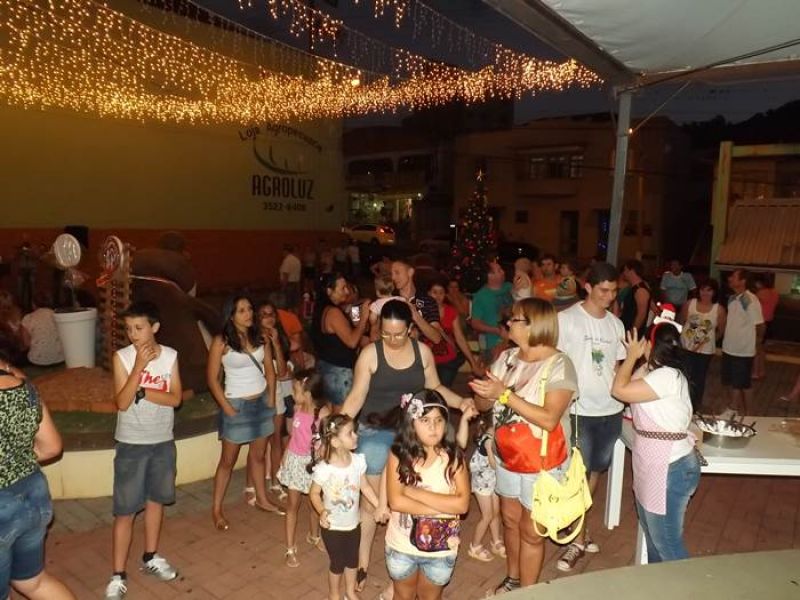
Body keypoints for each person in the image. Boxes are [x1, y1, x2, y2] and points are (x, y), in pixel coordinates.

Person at [342, 300, 473, 592]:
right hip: (376, 426)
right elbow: (357, 396)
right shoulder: (370, 354)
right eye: (385, 333)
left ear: (411, 328)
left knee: (428, 481)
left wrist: (460, 401)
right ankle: (363, 560)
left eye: (398, 334)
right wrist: (335, 428)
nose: (392, 339)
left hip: (412, 429)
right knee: (372, 499)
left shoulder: (422, 351)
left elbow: (435, 388)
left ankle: (406, 564)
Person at [469, 298, 578, 593]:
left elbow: (549, 419)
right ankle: (513, 580)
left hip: (541, 462)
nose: (508, 324)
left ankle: (528, 593)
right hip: (507, 456)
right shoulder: (507, 358)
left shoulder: (559, 364)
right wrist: (483, 393)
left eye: (514, 319)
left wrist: (504, 394)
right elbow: (484, 404)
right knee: (510, 520)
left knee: (532, 531)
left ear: (533, 325)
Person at [105, 302, 182, 600]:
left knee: (155, 501)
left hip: (162, 440)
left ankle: (150, 556)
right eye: (128, 329)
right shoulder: (123, 358)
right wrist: (138, 368)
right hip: (131, 444)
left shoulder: (170, 356)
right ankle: (117, 574)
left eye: (139, 328)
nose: (133, 334)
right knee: (125, 511)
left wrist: (143, 391)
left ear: (155, 327)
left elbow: (175, 399)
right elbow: (122, 403)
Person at [555, 262, 626, 572]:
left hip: (610, 409)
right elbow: (554, 362)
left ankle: (579, 529)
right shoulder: (566, 320)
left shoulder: (616, 325)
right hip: (578, 410)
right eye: (603, 290)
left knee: (595, 471)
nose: (609, 297)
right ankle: (577, 538)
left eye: (614, 291)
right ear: (587, 287)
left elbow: (618, 367)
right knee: (576, 475)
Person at [611, 325, 701, 563]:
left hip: (671, 467)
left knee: (667, 543)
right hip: (654, 463)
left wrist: (631, 356)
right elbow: (630, 381)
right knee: (652, 536)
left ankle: (688, 584)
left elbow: (619, 390)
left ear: (651, 344)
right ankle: (657, 582)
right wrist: (641, 358)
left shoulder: (666, 376)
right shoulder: (656, 372)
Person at [0, 354, 76, 600]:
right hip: (33, 494)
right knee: (33, 582)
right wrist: (14, 461)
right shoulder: (24, 386)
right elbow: (51, 447)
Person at [207, 294, 283, 532]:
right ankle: (216, 509)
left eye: (249, 308)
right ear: (231, 315)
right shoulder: (222, 341)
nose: (248, 313)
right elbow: (212, 379)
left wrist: (271, 399)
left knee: (258, 456)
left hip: (261, 403)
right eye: (241, 310)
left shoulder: (260, 336)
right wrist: (227, 407)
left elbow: (269, 369)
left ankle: (262, 498)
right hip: (236, 405)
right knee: (227, 461)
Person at [384, 390, 470, 600]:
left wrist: (412, 492)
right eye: (425, 420)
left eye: (438, 420)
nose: (433, 427)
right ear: (411, 423)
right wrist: (443, 508)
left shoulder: (453, 458)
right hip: (402, 545)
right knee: (402, 595)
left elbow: (462, 505)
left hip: (440, 549)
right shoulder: (399, 455)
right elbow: (396, 501)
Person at [309, 414, 383, 600]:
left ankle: (350, 592)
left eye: (354, 431)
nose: (356, 435)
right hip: (332, 526)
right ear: (335, 442)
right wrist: (321, 511)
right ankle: (334, 594)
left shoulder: (357, 461)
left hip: (353, 524)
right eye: (350, 433)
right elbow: (314, 493)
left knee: (352, 560)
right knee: (337, 563)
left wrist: (379, 505)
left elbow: (365, 486)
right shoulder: (325, 468)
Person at [278, 369, 330, 567]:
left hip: (313, 464)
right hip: (294, 461)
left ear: (307, 393)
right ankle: (290, 548)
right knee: (292, 505)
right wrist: (285, 455)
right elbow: (294, 436)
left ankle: (314, 535)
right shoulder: (297, 408)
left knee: (314, 503)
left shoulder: (323, 413)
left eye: (295, 390)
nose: (292, 393)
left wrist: (323, 455)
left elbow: (327, 442)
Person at [312, 273, 370, 409]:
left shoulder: (322, 309)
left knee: (332, 411)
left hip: (327, 366)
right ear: (329, 291)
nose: (347, 292)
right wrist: (364, 317)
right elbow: (352, 341)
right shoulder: (333, 312)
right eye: (343, 288)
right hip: (338, 371)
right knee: (343, 413)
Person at [456, 408, 505, 562]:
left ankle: (496, 541)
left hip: (492, 479)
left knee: (496, 512)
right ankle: (475, 546)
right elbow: (493, 463)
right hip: (483, 482)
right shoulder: (489, 439)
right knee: (487, 515)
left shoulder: (497, 434)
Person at [254, 301, 290, 501]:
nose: (269, 318)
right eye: (263, 314)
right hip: (257, 396)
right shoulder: (252, 340)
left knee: (276, 440)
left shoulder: (279, 339)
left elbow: (282, 373)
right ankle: (252, 485)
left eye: (271, 314)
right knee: (257, 444)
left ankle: (275, 482)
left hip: (276, 394)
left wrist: (276, 343)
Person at [721, 269, 764, 416]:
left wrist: (757, 344)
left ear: (743, 281)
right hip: (728, 347)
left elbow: (760, 325)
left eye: (734, 276)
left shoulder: (750, 299)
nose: (730, 278)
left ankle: (749, 413)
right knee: (731, 381)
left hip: (743, 350)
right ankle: (734, 409)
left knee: (743, 383)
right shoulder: (732, 298)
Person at [679, 279, 726, 412]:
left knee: (699, 377)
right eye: (702, 289)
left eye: (709, 290)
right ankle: (682, 402)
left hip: (705, 351)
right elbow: (681, 321)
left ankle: (696, 405)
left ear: (714, 292)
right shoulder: (690, 304)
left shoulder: (719, 309)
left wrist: (708, 341)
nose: (705, 293)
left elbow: (721, 330)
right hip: (686, 347)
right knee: (685, 375)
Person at [426, 278, 482, 386]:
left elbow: (460, 338)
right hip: (427, 359)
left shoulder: (451, 311)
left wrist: (473, 363)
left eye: (441, 293)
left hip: (447, 360)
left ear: (445, 294)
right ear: (428, 293)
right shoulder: (421, 312)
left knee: (443, 390)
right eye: (434, 292)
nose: (438, 296)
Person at [390, 259, 443, 345]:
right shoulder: (390, 301)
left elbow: (437, 338)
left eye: (397, 272)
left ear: (410, 272)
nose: (393, 278)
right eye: (391, 274)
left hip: (422, 351)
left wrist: (416, 316)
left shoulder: (427, 301)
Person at [470, 262, 513, 364]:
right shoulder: (481, 296)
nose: (503, 272)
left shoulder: (509, 287)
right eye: (499, 270)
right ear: (490, 275)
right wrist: (497, 331)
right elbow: (475, 323)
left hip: (513, 339)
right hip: (495, 343)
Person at [21, 293, 64, 366]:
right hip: (60, 358)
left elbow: (26, 343)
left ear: (33, 304)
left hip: (37, 360)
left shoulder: (28, 318)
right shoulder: (58, 315)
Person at [752, 274, 779, 380]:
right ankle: (762, 371)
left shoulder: (760, 293)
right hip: (769, 321)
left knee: (756, 348)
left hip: (759, 322)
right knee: (762, 348)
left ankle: (755, 372)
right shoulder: (775, 293)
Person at [620, 259, 652, 339]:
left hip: (632, 332)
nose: (624, 273)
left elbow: (641, 314)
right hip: (626, 327)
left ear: (632, 271)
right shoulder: (634, 287)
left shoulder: (640, 290)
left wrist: (632, 332)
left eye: (625, 270)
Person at [368, 275, 405, 342]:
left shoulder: (376, 304)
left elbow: (373, 319)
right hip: (400, 326)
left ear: (377, 292)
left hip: (385, 328)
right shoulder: (401, 299)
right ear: (393, 288)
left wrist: (372, 323)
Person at [0, 290, 29, 365]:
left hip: (17, 350)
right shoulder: (18, 311)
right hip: (14, 351)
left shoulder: (17, 311)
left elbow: (22, 341)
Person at [279, 245, 303, 310]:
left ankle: (288, 316)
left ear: (286, 251)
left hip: (288, 285)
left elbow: (286, 274)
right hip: (296, 284)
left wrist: (283, 287)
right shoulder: (297, 260)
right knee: (295, 305)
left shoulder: (287, 260)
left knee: (288, 305)